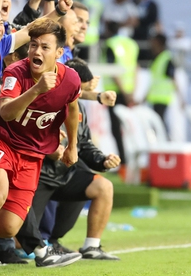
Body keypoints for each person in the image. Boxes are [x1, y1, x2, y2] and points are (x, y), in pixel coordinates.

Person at [0, 15, 81, 276]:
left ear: (59, 53)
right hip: (0, 139)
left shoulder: (70, 79)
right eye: (33, 44)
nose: (36, 51)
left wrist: (73, 145)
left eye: (44, 47)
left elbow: (72, 109)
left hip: (32, 155)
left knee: (7, 228)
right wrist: (36, 90)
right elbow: (7, 112)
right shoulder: (15, 72)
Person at [16, 58, 121, 263]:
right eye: (79, 87)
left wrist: (103, 160)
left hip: (65, 173)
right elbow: (24, 137)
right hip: (38, 177)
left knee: (103, 186)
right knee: (17, 237)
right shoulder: (42, 100)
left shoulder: (79, 108)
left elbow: (84, 144)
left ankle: (91, 246)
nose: (80, 93)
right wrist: (50, 151)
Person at [103, 21, 138, 164]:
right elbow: (136, 67)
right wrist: (132, 91)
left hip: (115, 92)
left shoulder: (110, 44)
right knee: (129, 127)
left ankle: (123, 161)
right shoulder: (132, 44)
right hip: (129, 91)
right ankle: (131, 161)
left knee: (116, 128)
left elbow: (113, 71)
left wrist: (123, 91)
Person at [147, 33, 181, 123]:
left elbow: (173, 78)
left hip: (162, 97)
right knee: (157, 122)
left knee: (159, 123)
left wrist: (181, 98)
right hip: (155, 97)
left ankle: (165, 137)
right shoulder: (157, 58)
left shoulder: (167, 58)